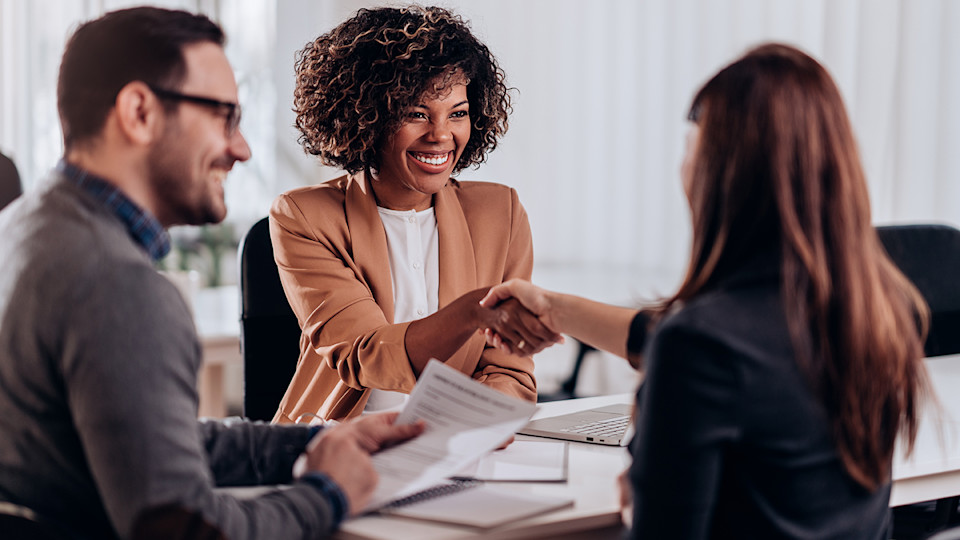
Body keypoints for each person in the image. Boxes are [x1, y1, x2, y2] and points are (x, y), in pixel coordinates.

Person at [0, 7, 422, 540]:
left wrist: (314, 442)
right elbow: (185, 528)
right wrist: (327, 494)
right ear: (139, 112)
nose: (241, 148)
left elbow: (150, 439)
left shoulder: (22, 227)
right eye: (224, 116)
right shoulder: (116, 284)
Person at [480, 43, 929, 539]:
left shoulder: (702, 344)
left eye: (692, 146)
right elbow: (704, 346)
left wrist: (642, 486)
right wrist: (554, 308)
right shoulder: (876, 312)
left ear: (722, 174)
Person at [271, 5, 559, 423]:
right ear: (366, 117)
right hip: (340, 444)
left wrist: (473, 429)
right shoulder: (305, 216)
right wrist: (475, 310)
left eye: (457, 113)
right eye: (416, 113)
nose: (441, 135)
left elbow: (508, 370)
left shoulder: (502, 213)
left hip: (455, 448)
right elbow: (366, 355)